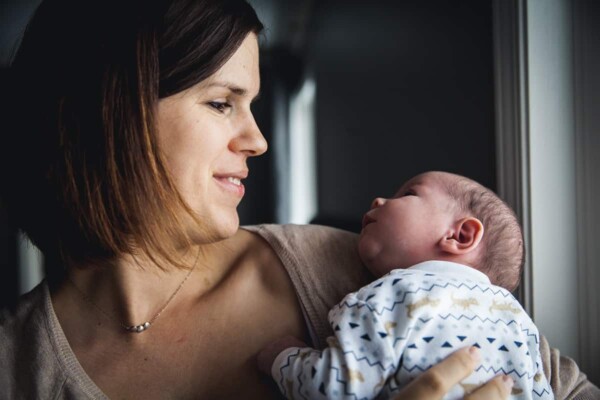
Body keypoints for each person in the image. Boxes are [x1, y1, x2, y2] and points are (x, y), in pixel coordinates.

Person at [0, 0, 596, 399]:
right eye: (220, 102)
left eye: (253, 105)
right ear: (110, 114)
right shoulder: (17, 369)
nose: (257, 140)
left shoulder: (356, 271)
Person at [257, 171, 552, 399]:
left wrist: (284, 358)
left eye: (409, 193)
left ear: (460, 236)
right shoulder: (518, 321)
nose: (379, 201)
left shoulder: (394, 294)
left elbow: (338, 389)